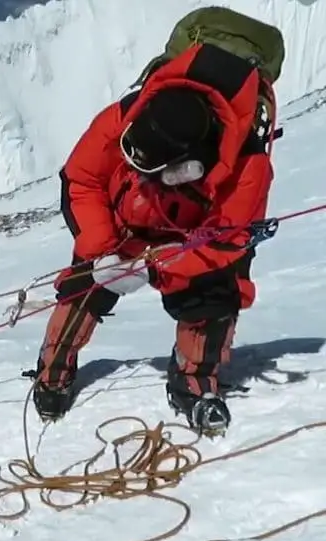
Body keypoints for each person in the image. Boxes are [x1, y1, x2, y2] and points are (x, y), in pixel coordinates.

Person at [28, 39, 279, 435]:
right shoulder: (128, 115)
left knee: (214, 296)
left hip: (187, 242)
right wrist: (102, 250)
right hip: (121, 228)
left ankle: (195, 382)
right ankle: (52, 373)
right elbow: (82, 178)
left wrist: (155, 267)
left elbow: (224, 242)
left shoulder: (248, 167)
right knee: (85, 284)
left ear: (185, 169)